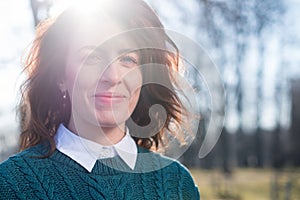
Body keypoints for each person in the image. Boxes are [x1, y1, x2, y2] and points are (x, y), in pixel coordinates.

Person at [0, 0, 200, 199]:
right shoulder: (12, 184)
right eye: (92, 58)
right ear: (60, 76)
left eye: (127, 60)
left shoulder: (178, 184)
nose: (112, 76)